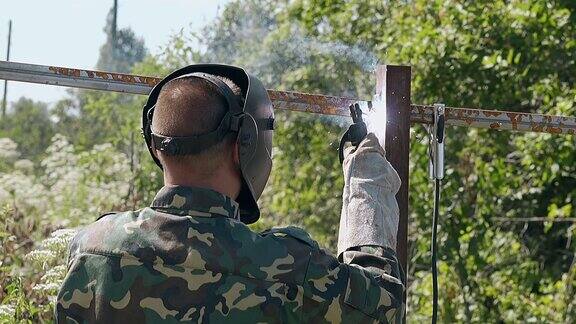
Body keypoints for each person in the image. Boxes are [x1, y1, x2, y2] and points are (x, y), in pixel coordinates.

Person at [55, 64, 404, 323]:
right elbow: (384, 307)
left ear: (155, 146)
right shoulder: (288, 266)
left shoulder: (92, 251)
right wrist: (366, 181)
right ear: (245, 144)